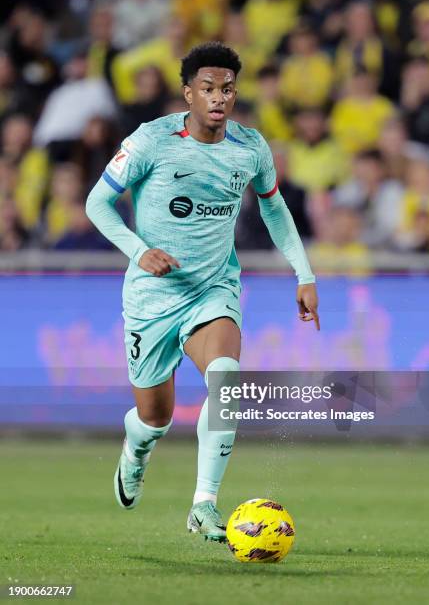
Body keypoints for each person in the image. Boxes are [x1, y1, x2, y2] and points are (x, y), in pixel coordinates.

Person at [86, 42, 319, 542]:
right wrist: (138, 250)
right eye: (208, 89)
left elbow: (274, 209)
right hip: (152, 296)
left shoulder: (250, 147)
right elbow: (98, 203)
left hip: (213, 288)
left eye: (228, 90)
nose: (219, 98)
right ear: (188, 92)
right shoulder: (151, 141)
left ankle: (203, 504)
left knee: (226, 382)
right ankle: (136, 451)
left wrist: (304, 274)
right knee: (155, 418)